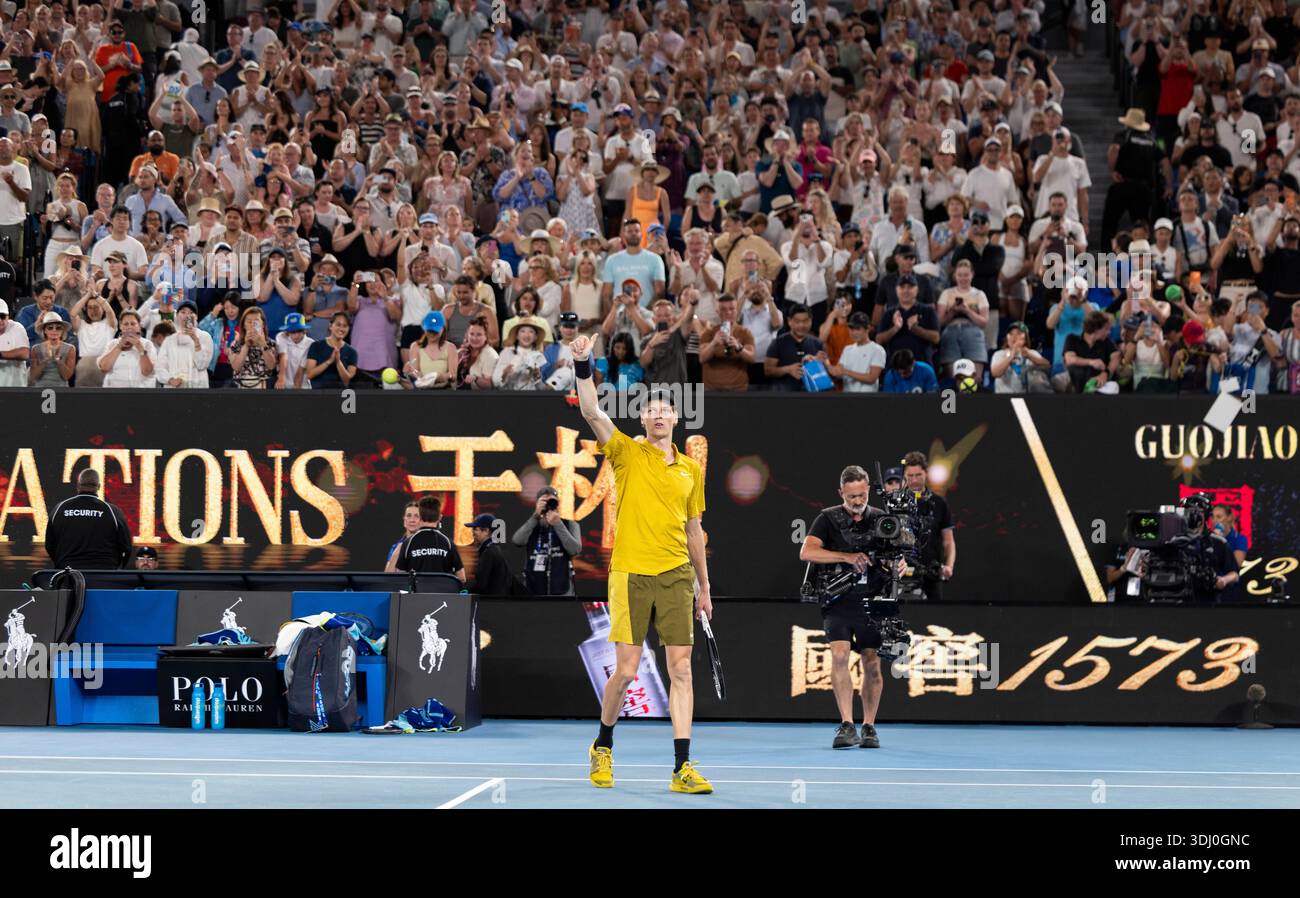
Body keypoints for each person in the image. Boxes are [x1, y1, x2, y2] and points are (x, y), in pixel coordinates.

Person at [569, 334, 713, 795]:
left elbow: (694, 531)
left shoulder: (690, 470)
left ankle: (682, 767)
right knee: (628, 672)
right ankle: (603, 745)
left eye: (664, 409)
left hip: (677, 576)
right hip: (631, 573)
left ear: (675, 418)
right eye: (650, 409)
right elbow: (591, 410)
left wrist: (704, 588)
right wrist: (583, 362)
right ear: (642, 418)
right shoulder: (627, 453)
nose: (657, 414)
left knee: (683, 671)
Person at [798, 465, 894, 749]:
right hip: (839, 601)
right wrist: (847, 556)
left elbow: (897, 556)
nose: (857, 500)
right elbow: (807, 552)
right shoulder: (827, 518)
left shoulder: (881, 519)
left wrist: (898, 564)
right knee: (839, 655)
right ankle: (846, 723)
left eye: (862, 494)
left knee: (872, 662)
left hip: (874, 600)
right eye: (851, 495)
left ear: (868, 491)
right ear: (841, 493)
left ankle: (869, 726)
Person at [45, 468, 134, 570]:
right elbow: (126, 547)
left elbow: (49, 545)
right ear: (99, 487)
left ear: (78, 485)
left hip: (69, 575)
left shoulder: (59, 509)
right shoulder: (112, 511)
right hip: (104, 575)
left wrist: (61, 564)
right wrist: (115, 569)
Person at [902, 451, 956, 603]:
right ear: (905, 476)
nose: (914, 480)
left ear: (926, 473)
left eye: (918, 475)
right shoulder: (895, 503)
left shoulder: (939, 503)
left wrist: (949, 566)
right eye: (910, 476)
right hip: (901, 574)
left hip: (930, 573)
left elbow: (948, 541)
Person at [510, 485, 582, 596]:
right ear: (537, 503)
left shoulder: (570, 525)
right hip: (533, 588)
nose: (548, 504)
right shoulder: (532, 525)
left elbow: (575, 550)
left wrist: (558, 524)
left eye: (552, 501)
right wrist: (535, 516)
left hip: (562, 590)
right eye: (544, 501)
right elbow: (517, 541)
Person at [395, 494, 466, 584]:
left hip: (416, 597)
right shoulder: (448, 543)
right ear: (440, 517)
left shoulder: (408, 543)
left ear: (419, 517)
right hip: (442, 596)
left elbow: (400, 576)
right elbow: (462, 578)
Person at [469, 513, 514, 596]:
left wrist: (466, 592)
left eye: (475, 529)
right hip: (498, 602)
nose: (473, 532)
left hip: (492, 603)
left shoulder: (489, 552)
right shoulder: (496, 549)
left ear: (486, 531)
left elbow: (481, 584)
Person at [385, 500, 425, 572]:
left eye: (416, 516)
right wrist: (396, 554)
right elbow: (387, 577)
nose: (412, 520)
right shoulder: (396, 547)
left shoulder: (428, 546)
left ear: (422, 521)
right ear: (404, 521)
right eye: (409, 516)